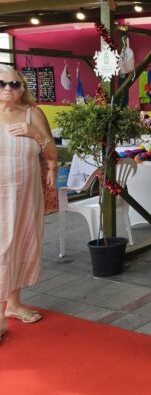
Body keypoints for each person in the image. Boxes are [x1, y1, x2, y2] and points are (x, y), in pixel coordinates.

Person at [0, 64, 57, 342]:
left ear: (22, 87)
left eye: (14, 84)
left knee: (20, 242)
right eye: (1, 84)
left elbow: (51, 152)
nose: (8, 89)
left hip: (25, 193)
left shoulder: (33, 113)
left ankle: (13, 304)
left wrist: (34, 133)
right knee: (3, 247)